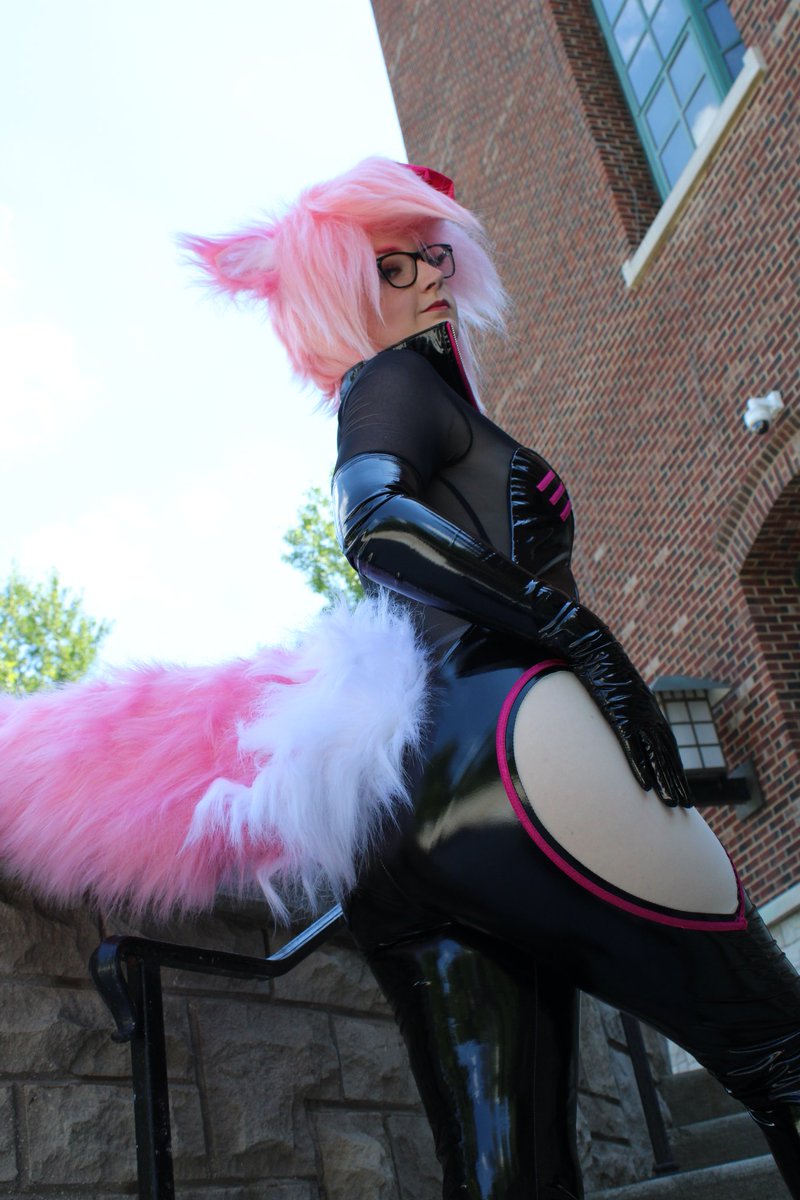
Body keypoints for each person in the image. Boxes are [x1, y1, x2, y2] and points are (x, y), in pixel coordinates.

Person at [181, 157, 800, 1198]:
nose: (429, 273)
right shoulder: (391, 384)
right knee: (781, 1050)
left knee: (503, 1167)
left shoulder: (404, 390)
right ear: (338, 290)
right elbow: (373, 519)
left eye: (431, 254)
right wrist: (580, 636)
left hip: (404, 818)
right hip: (512, 740)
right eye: (391, 265)